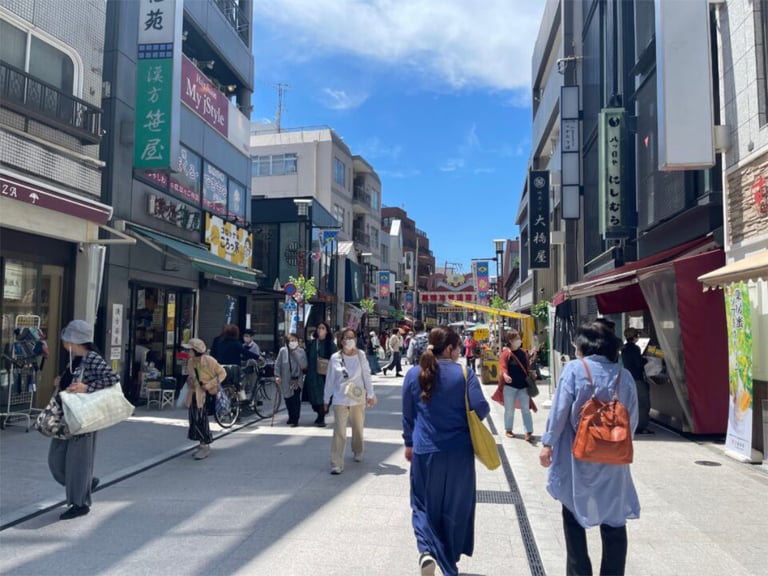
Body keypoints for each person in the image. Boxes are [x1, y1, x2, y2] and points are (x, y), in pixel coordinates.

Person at [539, 322, 640, 576]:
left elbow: (560, 411)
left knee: (573, 516)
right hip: (613, 461)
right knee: (614, 522)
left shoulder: (574, 370)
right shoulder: (623, 375)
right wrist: (613, 441)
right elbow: (633, 420)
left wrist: (548, 443)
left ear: (584, 346)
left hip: (577, 457)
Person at [402, 326, 489, 576]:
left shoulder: (413, 374)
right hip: (460, 451)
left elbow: (408, 415)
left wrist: (409, 442)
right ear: (449, 348)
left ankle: (427, 551)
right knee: (456, 506)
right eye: (458, 346)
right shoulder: (464, 373)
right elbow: (481, 408)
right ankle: (449, 561)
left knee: (422, 504)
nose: (459, 351)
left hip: (425, 450)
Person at [49, 320, 119, 520]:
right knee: (56, 461)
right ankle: (84, 485)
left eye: (66, 338)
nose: (63, 342)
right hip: (66, 417)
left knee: (78, 462)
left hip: (83, 418)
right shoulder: (74, 359)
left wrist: (86, 388)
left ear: (74, 340)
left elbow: (112, 378)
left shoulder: (91, 358)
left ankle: (80, 503)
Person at [323, 328, 376, 474]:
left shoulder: (361, 355)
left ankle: (358, 450)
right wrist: (326, 399)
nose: (349, 340)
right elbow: (330, 379)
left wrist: (370, 394)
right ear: (341, 340)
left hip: (357, 398)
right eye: (346, 338)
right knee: (339, 430)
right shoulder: (335, 358)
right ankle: (336, 462)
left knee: (358, 428)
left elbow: (366, 375)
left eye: (352, 337)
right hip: (340, 398)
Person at [182, 337, 227, 460]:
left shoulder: (208, 360)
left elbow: (222, 373)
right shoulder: (191, 362)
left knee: (201, 419)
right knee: (194, 418)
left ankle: (205, 445)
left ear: (196, 350)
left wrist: (209, 384)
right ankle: (201, 444)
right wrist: (189, 381)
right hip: (194, 393)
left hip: (206, 393)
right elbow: (191, 376)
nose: (187, 352)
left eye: (189, 350)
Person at [498, 330, 534, 441]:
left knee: (526, 409)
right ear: (510, 340)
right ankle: (508, 429)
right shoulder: (506, 354)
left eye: (519, 337)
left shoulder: (523, 352)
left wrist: (531, 371)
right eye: (517, 338)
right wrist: (505, 375)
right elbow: (502, 366)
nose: (519, 340)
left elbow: (527, 366)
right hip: (510, 387)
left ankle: (528, 432)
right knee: (509, 410)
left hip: (523, 386)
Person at [306, 321, 336, 427]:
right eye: (319, 328)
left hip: (325, 375)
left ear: (327, 331)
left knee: (323, 396)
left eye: (323, 328)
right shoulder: (313, 343)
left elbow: (335, 359)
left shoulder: (330, 344)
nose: (320, 330)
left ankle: (322, 416)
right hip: (313, 374)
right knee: (314, 396)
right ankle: (319, 414)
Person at [622, 327, 651, 434]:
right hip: (638, 378)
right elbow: (639, 363)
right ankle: (641, 426)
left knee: (632, 403)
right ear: (635, 337)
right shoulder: (635, 349)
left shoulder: (624, 349)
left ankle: (632, 424)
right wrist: (646, 360)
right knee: (643, 403)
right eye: (637, 335)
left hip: (628, 378)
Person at [275, 333, 308, 427]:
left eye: (295, 340)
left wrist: (296, 354)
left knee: (295, 400)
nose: (293, 342)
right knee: (288, 399)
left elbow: (304, 365)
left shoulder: (301, 351)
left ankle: (295, 419)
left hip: (297, 380)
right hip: (286, 380)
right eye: (291, 340)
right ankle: (290, 416)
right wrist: (277, 376)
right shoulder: (282, 351)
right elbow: (278, 364)